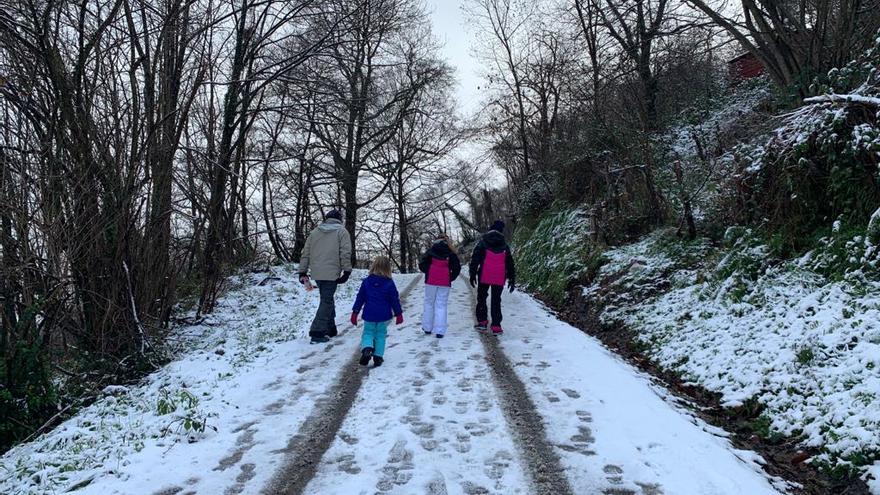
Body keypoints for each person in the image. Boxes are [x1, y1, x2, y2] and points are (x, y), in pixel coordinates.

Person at [298, 209, 353, 344]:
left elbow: (306, 253)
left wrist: (302, 271)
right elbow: (345, 253)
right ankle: (317, 332)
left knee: (327, 298)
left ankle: (330, 328)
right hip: (332, 272)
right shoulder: (342, 231)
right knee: (327, 301)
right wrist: (347, 270)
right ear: (339, 219)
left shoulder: (315, 232)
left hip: (317, 272)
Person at [350, 256, 404, 367]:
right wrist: (398, 314)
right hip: (384, 315)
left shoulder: (366, 282)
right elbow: (394, 299)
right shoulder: (389, 283)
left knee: (368, 333)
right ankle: (378, 357)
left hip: (369, 314)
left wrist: (355, 312)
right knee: (380, 335)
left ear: (373, 266)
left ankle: (367, 349)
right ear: (387, 268)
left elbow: (360, 297)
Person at [469, 220, 516, 335]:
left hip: (484, 275)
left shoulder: (483, 242)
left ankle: (482, 322)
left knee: (482, 297)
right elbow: (510, 262)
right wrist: (511, 278)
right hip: (499, 276)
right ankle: (496, 325)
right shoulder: (504, 245)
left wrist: (472, 274)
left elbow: (475, 259)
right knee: (496, 300)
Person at [418, 234, 462, 338]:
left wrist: (428, 272)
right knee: (441, 305)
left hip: (431, 280)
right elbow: (457, 268)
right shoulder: (451, 252)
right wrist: (450, 277)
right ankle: (440, 331)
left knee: (429, 303)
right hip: (444, 281)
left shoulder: (431, 250)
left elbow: (421, 264)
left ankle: (427, 328)